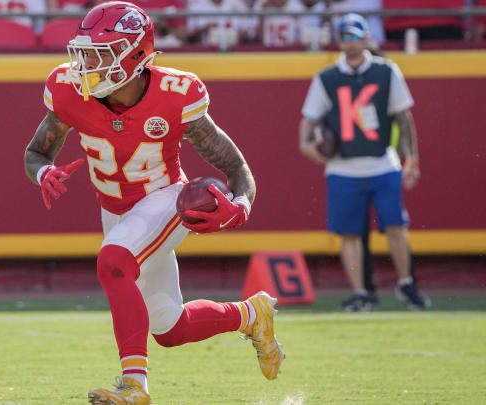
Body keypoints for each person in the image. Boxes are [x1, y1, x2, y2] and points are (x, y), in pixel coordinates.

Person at [24, 2, 284, 403]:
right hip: (115, 212)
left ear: (135, 55)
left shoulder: (175, 94)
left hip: (164, 199)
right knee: (169, 328)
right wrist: (44, 172)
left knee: (112, 262)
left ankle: (134, 386)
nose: (87, 64)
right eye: (85, 52)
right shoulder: (69, 90)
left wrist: (241, 206)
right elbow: (36, 153)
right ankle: (252, 315)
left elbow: (234, 166)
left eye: (99, 54)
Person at [298, 13, 430, 312]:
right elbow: (309, 119)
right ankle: (360, 292)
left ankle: (406, 283)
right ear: (340, 40)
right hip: (343, 167)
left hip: (382, 162)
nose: (351, 42)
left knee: (396, 226)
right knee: (349, 233)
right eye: (346, 36)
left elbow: (403, 118)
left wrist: (412, 159)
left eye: (356, 36)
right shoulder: (327, 77)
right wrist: (305, 145)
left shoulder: (386, 71)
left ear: (367, 38)